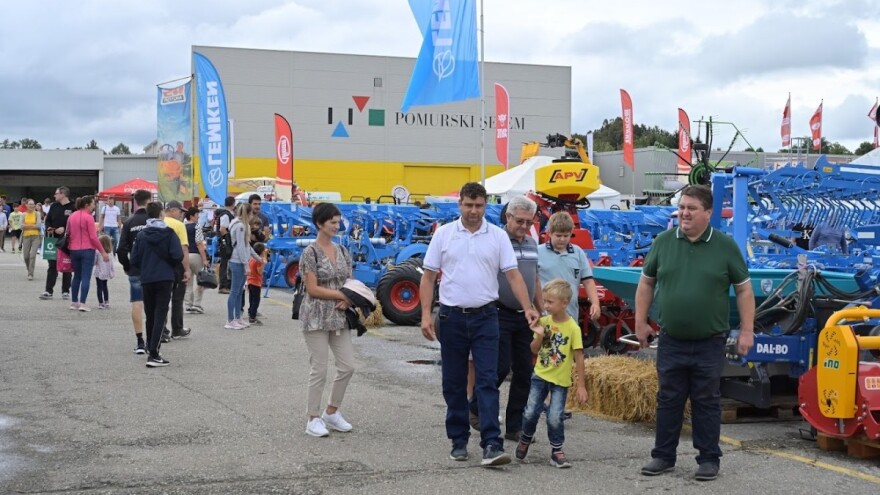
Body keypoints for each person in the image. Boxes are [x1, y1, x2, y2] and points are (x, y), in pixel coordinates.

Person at [634, 185, 755, 482]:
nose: (684, 213)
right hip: (672, 339)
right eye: (682, 207)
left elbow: (744, 290)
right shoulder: (663, 242)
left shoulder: (725, 246)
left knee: (706, 400)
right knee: (669, 399)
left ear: (708, 213)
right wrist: (640, 322)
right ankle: (663, 456)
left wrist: (747, 331)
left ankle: (709, 459)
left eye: (691, 208)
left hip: (709, 341)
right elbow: (646, 283)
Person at [419, 182, 540, 467]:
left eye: (479, 206)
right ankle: (459, 440)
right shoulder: (444, 235)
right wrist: (425, 314)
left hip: (487, 317)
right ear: (460, 204)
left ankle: (491, 444)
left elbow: (513, 276)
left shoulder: (496, 237)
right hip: (451, 317)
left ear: (486, 206)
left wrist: (528, 308)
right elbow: (428, 276)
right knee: (453, 381)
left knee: (487, 380)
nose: (473, 211)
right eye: (468, 205)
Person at [468, 196, 543, 442]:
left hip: (525, 316)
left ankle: (514, 425)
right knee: (499, 367)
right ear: (508, 217)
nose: (523, 226)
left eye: (528, 222)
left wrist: (541, 310)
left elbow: (535, 279)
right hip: (498, 312)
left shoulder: (532, 243)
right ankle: (476, 409)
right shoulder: (495, 241)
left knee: (524, 370)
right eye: (519, 220)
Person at [515, 279, 587, 468]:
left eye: (549, 302)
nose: (545, 306)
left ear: (564, 303)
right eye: (544, 301)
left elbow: (579, 356)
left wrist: (581, 385)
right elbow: (533, 349)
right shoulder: (544, 322)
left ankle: (556, 450)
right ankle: (526, 438)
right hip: (540, 375)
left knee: (555, 416)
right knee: (530, 412)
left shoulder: (573, 328)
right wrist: (539, 334)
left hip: (560, 381)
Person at [298, 202, 355, 437]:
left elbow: (350, 280)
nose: (336, 225)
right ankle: (312, 418)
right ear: (320, 223)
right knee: (319, 369)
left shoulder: (342, 250)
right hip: (315, 316)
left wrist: (349, 298)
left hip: (339, 316)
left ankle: (331, 411)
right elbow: (312, 289)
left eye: (338, 221)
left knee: (348, 366)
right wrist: (341, 295)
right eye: (332, 222)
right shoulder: (309, 253)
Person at [130, 202, 184, 367]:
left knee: (150, 314)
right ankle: (154, 352)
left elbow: (134, 259)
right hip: (165, 277)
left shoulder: (141, 235)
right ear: (162, 213)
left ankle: (150, 346)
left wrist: (146, 265)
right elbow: (177, 255)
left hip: (147, 278)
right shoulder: (169, 233)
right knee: (161, 313)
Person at [538, 211, 601, 323]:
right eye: (558, 235)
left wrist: (595, 303)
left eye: (566, 236)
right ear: (549, 233)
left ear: (571, 233)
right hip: (545, 317)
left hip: (570, 316)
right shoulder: (538, 252)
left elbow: (588, 281)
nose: (562, 239)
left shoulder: (578, 253)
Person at [117, 189, 152, 354]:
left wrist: (126, 266)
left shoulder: (129, 222)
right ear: (150, 200)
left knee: (137, 303)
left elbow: (121, 248)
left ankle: (140, 341)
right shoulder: (153, 220)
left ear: (135, 201)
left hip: (136, 267)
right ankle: (155, 337)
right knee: (155, 304)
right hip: (154, 268)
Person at [66, 195, 110, 311]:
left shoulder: (71, 216)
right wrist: (103, 251)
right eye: (93, 204)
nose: (94, 206)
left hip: (74, 250)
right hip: (87, 250)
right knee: (86, 277)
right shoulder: (89, 217)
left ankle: (74, 302)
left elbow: (68, 233)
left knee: (77, 276)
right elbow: (93, 237)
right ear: (87, 205)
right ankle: (83, 303)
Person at [225, 203, 260, 329]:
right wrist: (246, 264)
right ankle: (230, 319)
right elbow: (241, 246)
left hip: (239, 260)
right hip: (237, 261)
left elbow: (246, 245)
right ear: (249, 213)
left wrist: (257, 257)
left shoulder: (238, 224)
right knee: (235, 291)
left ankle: (237, 317)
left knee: (239, 291)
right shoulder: (241, 226)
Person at [163, 201, 192, 340]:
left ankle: (161, 329)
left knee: (162, 299)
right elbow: (184, 248)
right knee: (177, 298)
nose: (182, 215)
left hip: (161, 265)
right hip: (177, 265)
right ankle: (177, 328)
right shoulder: (179, 225)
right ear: (173, 210)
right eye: (180, 212)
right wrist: (187, 269)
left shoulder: (158, 221)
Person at [40, 186, 75, 300]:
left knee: (66, 265)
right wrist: (50, 228)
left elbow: (75, 223)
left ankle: (65, 291)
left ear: (63, 194)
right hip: (53, 239)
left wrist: (65, 229)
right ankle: (48, 290)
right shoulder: (54, 206)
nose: (54, 195)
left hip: (67, 240)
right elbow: (48, 220)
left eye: (56, 193)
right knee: (52, 266)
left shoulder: (73, 206)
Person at [184, 206, 209, 314]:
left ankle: (188, 304)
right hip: (195, 255)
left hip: (185, 256)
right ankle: (197, 304)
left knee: (188, 281)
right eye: (197, 215)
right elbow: (199, 243)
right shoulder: (197, 226)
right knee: (201, 280)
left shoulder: (183, 226)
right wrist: (204, 259)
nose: (198, 217)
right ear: (192, 216)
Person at [215, 196, 236, 294]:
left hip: (225, 242)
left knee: (226, 263)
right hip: (225, 243)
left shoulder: (227, 214)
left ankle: (227, 285)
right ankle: (223, 286)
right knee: (225, 264)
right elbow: (222, 229)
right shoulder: (226, 215)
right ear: (233, 204)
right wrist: (228, 240)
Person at [20, 199, 42, 280]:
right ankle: (29, 269)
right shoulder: (23, 214)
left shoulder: (37, 214)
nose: (31, 206)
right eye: (30, 204)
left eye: (33, 204)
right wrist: (33, 225)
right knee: (26, 256)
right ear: (26, 205)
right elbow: (21, 226)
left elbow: (39, 225)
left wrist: (27, 225)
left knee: (32, 255)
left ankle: (30, 274)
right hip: (26, 236)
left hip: (36, 236)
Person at [247, 242, 267, 326]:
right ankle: (252, 317)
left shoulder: (251, 259)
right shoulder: (259, 260)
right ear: (262, 251)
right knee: (256, 300)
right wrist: (264, 263)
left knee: (251, 299)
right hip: (256, 282)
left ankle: (250, 312)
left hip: (250, 281)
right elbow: (259, 271)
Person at [94, 234, 116, 309]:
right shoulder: (110, 252)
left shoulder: (97, 252)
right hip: (106, 272)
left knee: (99, 287)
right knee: (105, 287)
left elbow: (94, 262)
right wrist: (112, 272)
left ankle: (100, 303)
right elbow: (112, 263)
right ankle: (107, 301)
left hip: (98, 272)